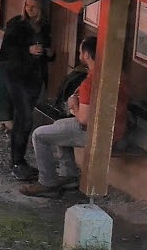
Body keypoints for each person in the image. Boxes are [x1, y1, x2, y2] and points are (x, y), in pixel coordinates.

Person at [19, 35, 128, 198]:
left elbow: (84, 119)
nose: (79, 55)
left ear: (87, 55)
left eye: (80, 52)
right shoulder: (117, 75)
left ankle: (47, 183)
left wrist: (73, 105)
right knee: (58, 127)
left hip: (98, 135)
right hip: (118, 130)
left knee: (39, 135)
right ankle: (69, 176)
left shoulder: (90, 83)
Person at [0, 0, 53, 178]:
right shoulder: (17, 25)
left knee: (25, 118)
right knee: (24, 118)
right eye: (27, 6)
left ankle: (19, 161)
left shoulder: (44, 26)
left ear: (41, 9)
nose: (30, 10)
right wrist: (27, 50)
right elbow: (6, 52)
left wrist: (49, 53)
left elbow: (47, 52)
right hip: (16, 76)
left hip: (34, 77)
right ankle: (17, 162)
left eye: (34, 7)